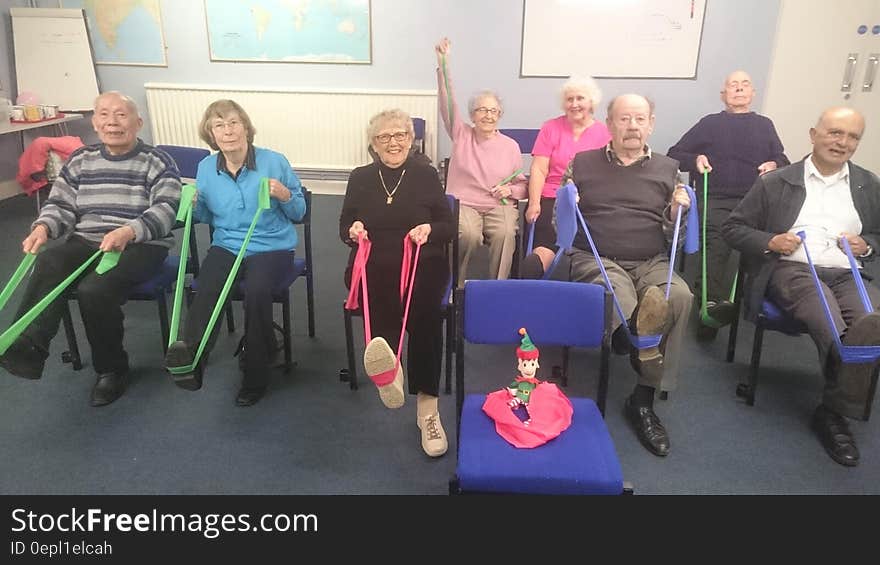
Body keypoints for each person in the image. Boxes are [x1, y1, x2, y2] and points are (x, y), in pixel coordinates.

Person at [0, 91, 181, 406]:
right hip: (87, 239)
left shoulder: (158, 161)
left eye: (121, 115)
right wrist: (43, 227)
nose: (113, 122)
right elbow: (60, 204)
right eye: (105, 115)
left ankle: (112, 370)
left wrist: (129, 230)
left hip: (141, 244)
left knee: (94, 290)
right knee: (49, 262)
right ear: (95, 123)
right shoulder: (81, 160)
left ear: (138, 123)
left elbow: (166, 210)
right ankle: (30, 347)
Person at [723, 107, 880, 467]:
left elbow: (879, 235)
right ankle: (836, 413)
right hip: (792, 270)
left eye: (852, 137)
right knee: (821, 307)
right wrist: (771, 241)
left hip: (846, 271)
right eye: (835, 133)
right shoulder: (776, 182)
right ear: (813, 134)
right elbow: (734, 229)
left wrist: (867, 244)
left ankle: (839, 386)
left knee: (869, 319)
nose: (842, 142)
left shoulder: (868, 185)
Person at [567, 94, 692, 457]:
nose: (632, 127)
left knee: (680, 296)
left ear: (651, 124)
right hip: (598, 256)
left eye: (640, 119)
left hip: (651, 258)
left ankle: (643, 396)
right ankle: (636, 338)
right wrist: (565, 200)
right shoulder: (583, 163)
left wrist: (673, 214)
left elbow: (677, 239)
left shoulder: (670, 169)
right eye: (624, 119)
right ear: (609, 124)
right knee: (618, 295)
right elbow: (562, 222)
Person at [163, 99, 306, 407]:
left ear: (245, 127)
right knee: (207, 286)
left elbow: (299, 211)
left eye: (233, 123)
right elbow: (203, 215)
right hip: (227, 243)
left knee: (256, 291)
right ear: (211, 134)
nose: (227, 131)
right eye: (219, 125)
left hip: (271, 244)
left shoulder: (273, 161)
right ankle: (191, 360)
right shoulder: (205, 167)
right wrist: (191, 205)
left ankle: (255, 374)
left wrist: (284, 194)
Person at [340, 109, 454, 457]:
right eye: (384, 137)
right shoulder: (360, 177)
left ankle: (427, 409)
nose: (393, 142)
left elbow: (448, 226)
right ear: (373, 145)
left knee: (425, 309)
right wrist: (353, 231)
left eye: (400, 135)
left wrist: (430, 229)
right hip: (373, 258)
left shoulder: (425, 174)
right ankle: (391, 367)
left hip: (422, 257)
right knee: (377, 285)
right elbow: (344, 225)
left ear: (411, 139)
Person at [667, 70, 789, 337]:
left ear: (753, 93)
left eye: (745, 84)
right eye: (733, 85)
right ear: (723, 94)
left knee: (753, 245)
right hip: (718, 197)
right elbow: (675, 153)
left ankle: (747, 302)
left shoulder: (765, 125)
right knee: (718, 243)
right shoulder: (710, 123)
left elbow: (783, 159)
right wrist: (696, 158)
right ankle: (709, 308)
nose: (739, 89)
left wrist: (774, 164)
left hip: (755, 200)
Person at [434, 37, 527, 286]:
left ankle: (496, 288)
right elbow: (447, 102)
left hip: (499, 205)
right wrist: (443, 64)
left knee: (506, 234)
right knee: (468, 235)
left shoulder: (510, 146)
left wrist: (510, 189)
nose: (488, 115)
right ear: (472, 115)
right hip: (465, 203)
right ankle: (457, 286)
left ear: (500, 115)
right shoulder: (461, 133)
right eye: (482, 110)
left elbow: (522, 185)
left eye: (493, 111)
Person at [521, 75, 611, 279]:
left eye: (580, 98)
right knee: (538, 257)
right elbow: (539, 169)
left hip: (589, 201)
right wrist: (534, 203)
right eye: (570, 99)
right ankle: (536, 273)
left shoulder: (605, 133)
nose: (575, 104)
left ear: (591, 102)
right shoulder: (550, 128)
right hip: (552, 197)